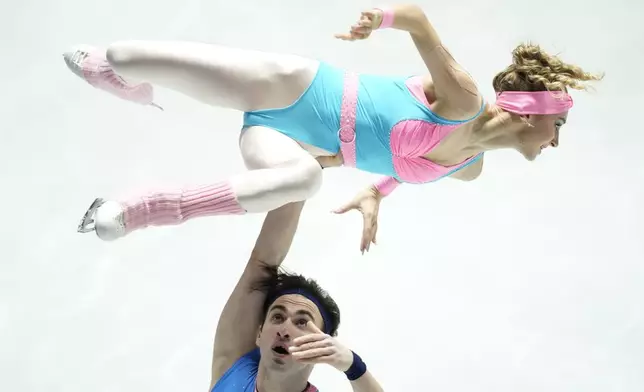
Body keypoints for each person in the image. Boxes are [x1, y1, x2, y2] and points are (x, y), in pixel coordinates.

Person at [67, 4, 602, 252]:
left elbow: (401, 168)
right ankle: (111, 75)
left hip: (288, 142)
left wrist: (374, 192)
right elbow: (417, 18)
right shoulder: (463, 100)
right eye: (557, 125)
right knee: (121, 55)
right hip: (293, 86)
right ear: (530, 111)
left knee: (303, 181)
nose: (556, 139)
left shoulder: (470, 169)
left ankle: (139, 209)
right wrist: (380, 22)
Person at [206, 201, 384, 391]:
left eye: (301, 322)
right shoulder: (233, 365)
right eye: (277, 317)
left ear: (323, 344)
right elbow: (262, 264)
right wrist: (300, 182)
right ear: (259, 333)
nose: (284, 330)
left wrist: (353, 366)